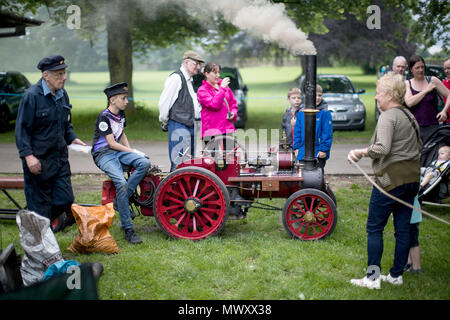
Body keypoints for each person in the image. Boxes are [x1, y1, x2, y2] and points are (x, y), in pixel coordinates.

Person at [349, 73, 422, 289]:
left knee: (374, 228)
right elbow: (419, 145)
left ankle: (372, 278)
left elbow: (382, 148)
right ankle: (396, 275)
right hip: (412, 180)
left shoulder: (388, 116)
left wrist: (360, 152)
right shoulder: (409, 115)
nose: (375, 97)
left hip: (390, 181)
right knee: (403, 229)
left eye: (379, 93)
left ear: (390, 95)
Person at [15, 55, 87, 222]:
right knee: (40, 208)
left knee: (66, 199)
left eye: (64, 73)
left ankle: (42, 226)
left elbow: (66, 123)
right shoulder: (31, 96)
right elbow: (22, 131)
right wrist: (29, 156)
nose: (64, 77)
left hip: (59, 160)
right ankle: (37, 241)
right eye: (59, 74)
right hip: (37, 162)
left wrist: (72, 138)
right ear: (45, 75)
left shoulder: (63, 95)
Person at [91, 82, 150, 244]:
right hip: (103, 154)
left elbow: (122, 133)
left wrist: (132, 152)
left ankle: (121, 199)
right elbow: (111, 143)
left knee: (144, 163)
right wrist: (132, 152)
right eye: (123, 98)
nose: (127, 101)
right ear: (113, 100)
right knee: (121, 183)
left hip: (117, 151)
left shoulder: (121, 114)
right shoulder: (104, 117)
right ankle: (128, 229)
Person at [158, 50, 205, 171]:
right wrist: (164, 121)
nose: (198, 67)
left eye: (199, 64)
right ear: (186, 62)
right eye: (196, 64)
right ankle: (173, 188)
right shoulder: (176, 78)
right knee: (179, 163)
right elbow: (164, 103)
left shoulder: (189, 80)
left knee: (189, 162)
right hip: (179, 124)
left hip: (190, 124)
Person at [404, 55, 450, 142]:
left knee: (432, 154)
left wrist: (444, 111)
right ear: (411, 69)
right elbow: (409, 102)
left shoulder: (432, 80)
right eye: (417, 68)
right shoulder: (407, 83)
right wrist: (426, 90)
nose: (421, 70)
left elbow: (449, 95)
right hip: (414, 128)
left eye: (422, 67)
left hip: (433, 127)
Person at [196, 62, 238, 146]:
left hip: (226, 128)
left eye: (219, 72)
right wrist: (222, 89)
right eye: (215, 73)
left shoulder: (224, 86)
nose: (218, 75)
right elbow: (214, 105)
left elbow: (233, 103)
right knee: (211, 158)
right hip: (211, 130)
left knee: (231, 157)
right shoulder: (202, 90)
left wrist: (233, 113)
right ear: (207, 74)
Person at [293, 85, 333, 171]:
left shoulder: (325, 113)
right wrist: (296, 148)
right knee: (302, 176)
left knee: (316, 176)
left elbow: (327, 133)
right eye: (315, 95)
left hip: (318, 152)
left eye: (320, 95)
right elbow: (297, 132)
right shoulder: (301, 112)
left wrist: (324, 149)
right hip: (302, 151)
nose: (317, 98)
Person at [443, 58, 450, 123]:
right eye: (445, 69)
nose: (446, 71)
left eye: (449, 68)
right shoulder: (443, 83)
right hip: (446, 121)